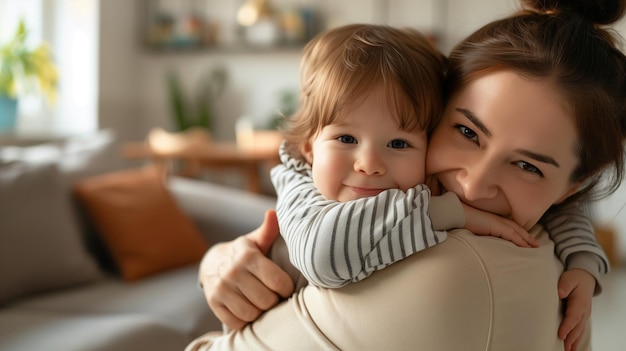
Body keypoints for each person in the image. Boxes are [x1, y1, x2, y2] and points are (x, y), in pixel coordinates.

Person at [190, 0, 626, 350]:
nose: (471, 186)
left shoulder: (451, 274)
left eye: (527, 165)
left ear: (575, 184)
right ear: (435, 113)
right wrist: (217, 261)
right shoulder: (328, 179)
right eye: (467, 132)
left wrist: (586, 263)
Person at [271, 23, 539, 290]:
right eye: (346, 139)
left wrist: (580, 261)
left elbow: (558, 201)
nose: (369, 165)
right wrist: (453, 213)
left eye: (398, 143)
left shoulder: (430, 181)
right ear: (309, 147)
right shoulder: (299, 187)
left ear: (429, 145)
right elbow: (322, 258)